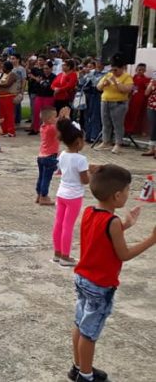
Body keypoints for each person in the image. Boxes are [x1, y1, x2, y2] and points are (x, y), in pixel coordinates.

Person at [68, 165, 156, 382]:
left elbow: (101, 237)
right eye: (127, 190)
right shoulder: (112, 221)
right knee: (89, 333)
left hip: (83, 279)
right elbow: (124, 254)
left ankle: (78, 367)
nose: (128, 194)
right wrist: (151, 240)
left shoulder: (89, 211)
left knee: (80, 324)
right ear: (117, 196)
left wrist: (126, 225)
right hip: (100, 285)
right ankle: (85, 377)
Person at [52, 118, 95, 267]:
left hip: (61, 193)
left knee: (58, 223)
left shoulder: (62, 155)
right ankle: (66, 256)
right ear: (78, 141)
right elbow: (85, 181)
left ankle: (57, 253)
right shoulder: (81, 159)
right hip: (74, 196)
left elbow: (63, 171)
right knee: (68, 226)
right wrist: (91, 173)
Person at [95, 56, 133, 154]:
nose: (114, 72)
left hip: (118, 103)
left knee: (117, 125)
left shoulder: (127, 77)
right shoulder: (108, 75)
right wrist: (104, 83)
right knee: (105, 123)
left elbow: (126, 89)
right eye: (112, 69)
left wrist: (115, 81)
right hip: (105, 101)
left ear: (121, 68)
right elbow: (98, 87)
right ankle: (105, 141)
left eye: (115, 70)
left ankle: (118, 144)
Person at [35, 107, 67, 206]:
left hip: (41, 156)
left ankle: (39, 194)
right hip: (49, 156)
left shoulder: (43, 126)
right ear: (49, 119)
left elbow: (55, 123)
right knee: (46, 178)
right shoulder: (52, 128)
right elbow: (62, 131)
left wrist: (60, 117)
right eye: (55, 116)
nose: (56, 118)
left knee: (41, 177)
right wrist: (66, 118)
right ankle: (44, 196)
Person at [125, 63, 148, 136]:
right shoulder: (131, 78)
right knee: (129, 114)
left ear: (145, 71)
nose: (140, 71)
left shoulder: (146, 79)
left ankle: (136, 130)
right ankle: (127, 129)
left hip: (141, 99)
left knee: (139, 115)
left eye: (142, 70)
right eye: (139, 70)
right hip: (132, 98)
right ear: (136, 70)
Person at [143, 73, 156, 159]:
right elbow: (146, 93)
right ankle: (152, 149)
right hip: (152, 105)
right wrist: (151, 83)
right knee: (153, 126)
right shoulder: (153, 81)